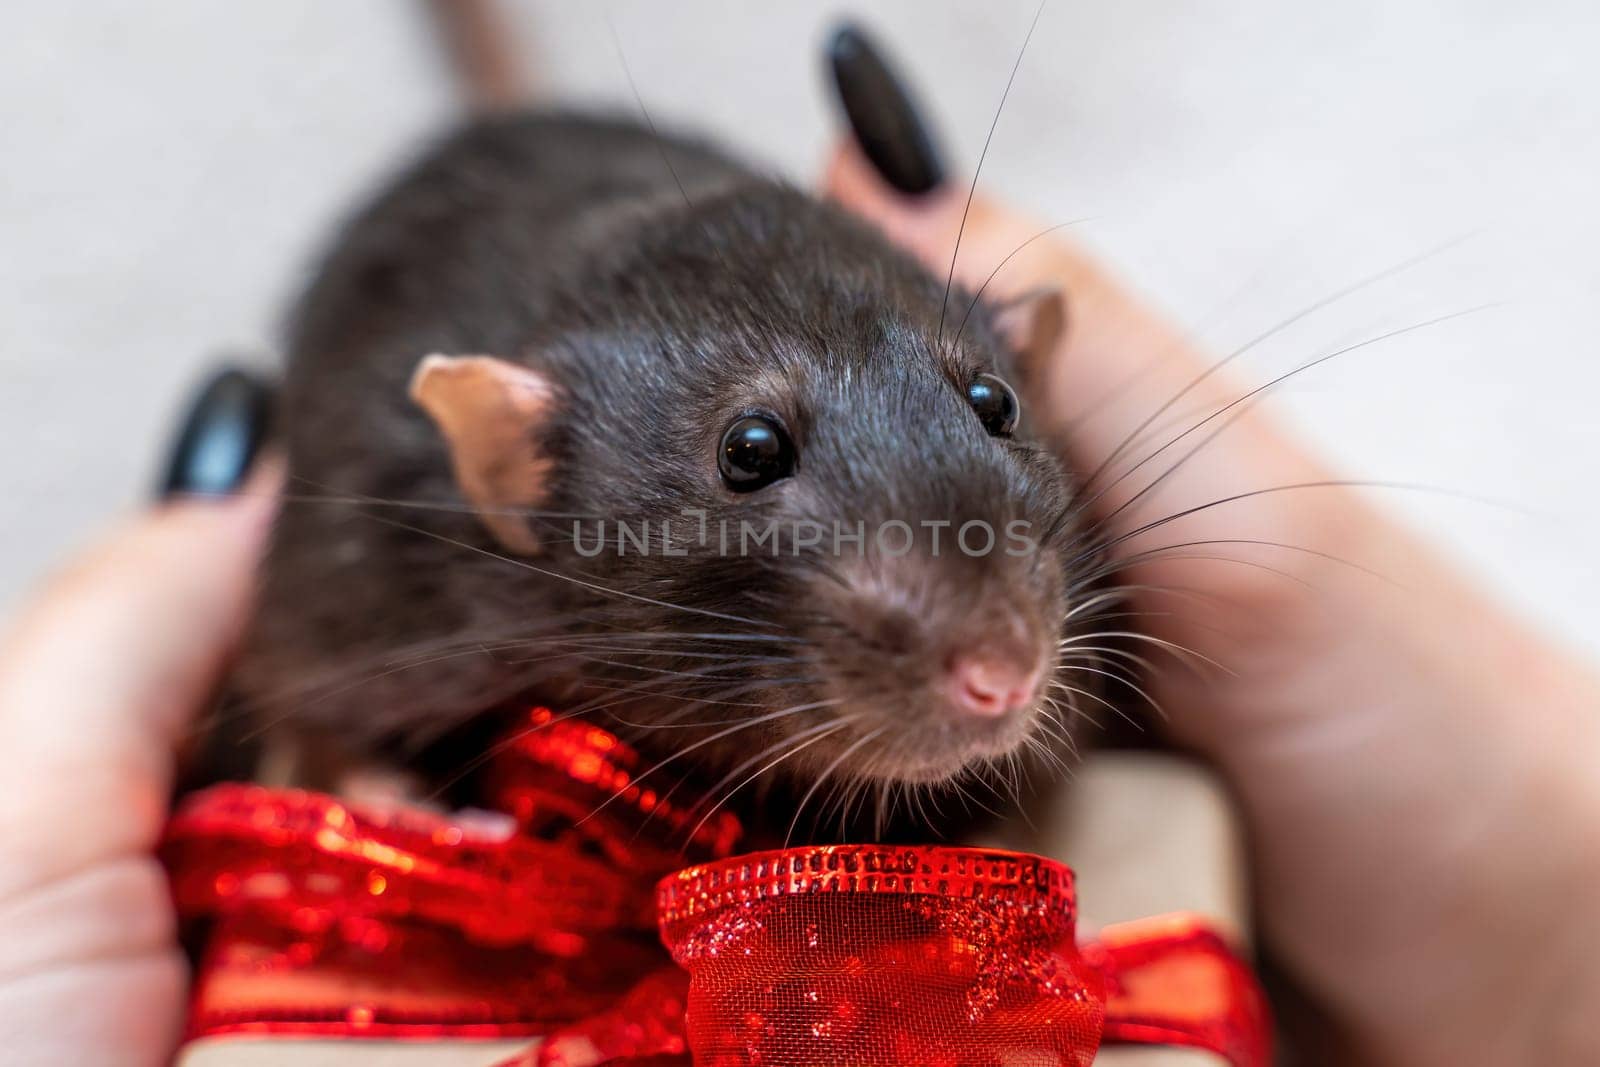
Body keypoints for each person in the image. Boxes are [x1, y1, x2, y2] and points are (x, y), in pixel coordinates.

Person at [2, 25, 1596, 1067]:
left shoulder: (1060, 573)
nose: (998, 660)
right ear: (519, 459)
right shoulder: (415, 543)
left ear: (1028, 363)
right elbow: (319, 690)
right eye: (756, 460)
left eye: (987, 404)